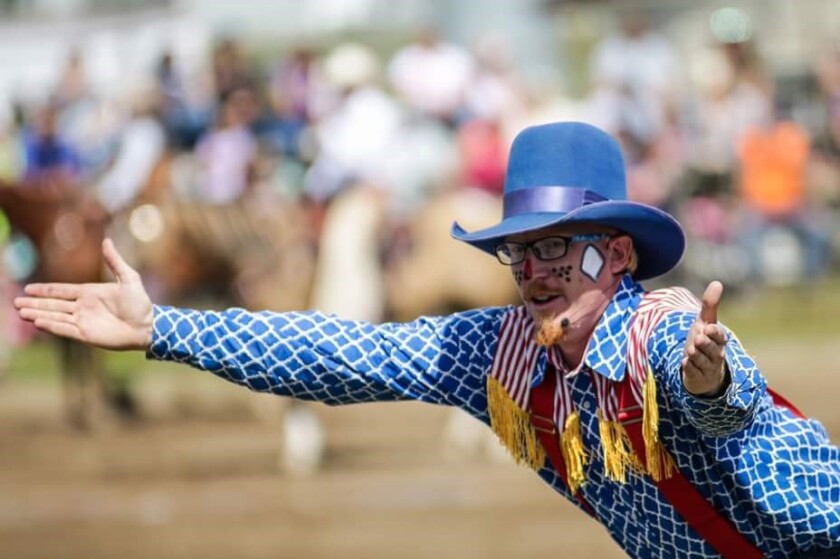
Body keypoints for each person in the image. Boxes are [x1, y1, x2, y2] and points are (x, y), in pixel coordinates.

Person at [14, 122, 840, 558]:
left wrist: (707, 383)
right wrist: (165, 326)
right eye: (520, 250)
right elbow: (340, 355)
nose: (535, 268)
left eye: (557, 244)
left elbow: (728, 405)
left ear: (617, 254)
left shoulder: (662, 330)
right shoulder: (501, 354)